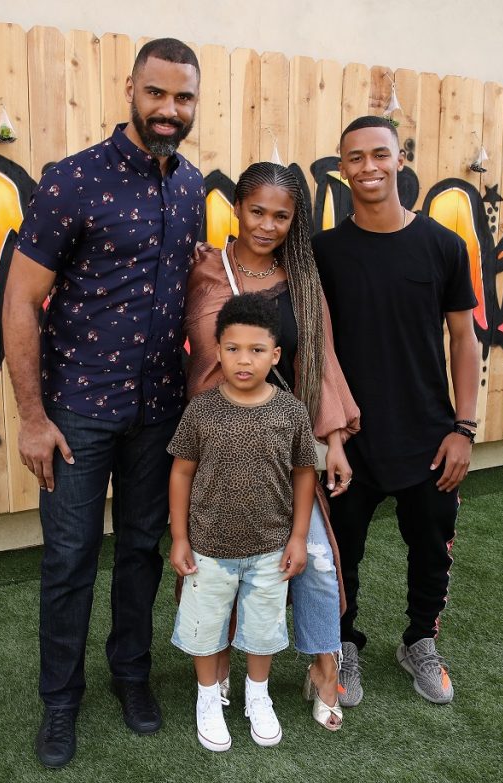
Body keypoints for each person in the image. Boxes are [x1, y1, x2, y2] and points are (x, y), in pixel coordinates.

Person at [1, 38, 203, 769]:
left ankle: (131, 675)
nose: (169, 110)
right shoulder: (72, 181)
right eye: (157, 94)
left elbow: (196, 301)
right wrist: (32, 416)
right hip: (78, 408)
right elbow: (20, 301)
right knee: (69, 556)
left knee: (143, 550)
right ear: (131, 90)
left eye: (183, 98)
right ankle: (60, 701)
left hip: (160, 409)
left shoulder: (192, 186)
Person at [185, 162, 360, 731]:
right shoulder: (204, 268)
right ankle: (220, 673)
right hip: (217, 444)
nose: (267, 225)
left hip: (286, 439)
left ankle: (323, 667)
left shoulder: (302, 280)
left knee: (314, 561)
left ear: (294, 220)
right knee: (224, 562)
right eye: (257, 211)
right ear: (237, 207)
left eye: (281, 215)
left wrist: (331, 440)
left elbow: (321, 359)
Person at [312, 115, 481, 707]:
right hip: (348, 436)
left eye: (379, 154)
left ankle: (419, 642)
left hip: (429, 436)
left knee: (431, 549)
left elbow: (464, 338)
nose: (368, 167)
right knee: (340, 556)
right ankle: (343, 645)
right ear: (341, 168)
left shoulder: (443, 246)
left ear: (401, 158)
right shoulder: (322, 252)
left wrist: (464, 426)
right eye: (354, 158)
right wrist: (327, 433)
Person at [168, 293, 317, 751]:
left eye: (256, 350)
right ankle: (208, 699)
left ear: (275, 355)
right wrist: (178, 537)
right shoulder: (202, 410)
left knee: (262, 628)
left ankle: (258, 695)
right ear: (217, 351)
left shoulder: (290, 411)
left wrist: (297, 538)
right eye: (232, 349)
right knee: (207, 626)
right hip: (209, 548)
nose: (243, 360)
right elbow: (181, 471)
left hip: (270, 548)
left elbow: (305, 472)